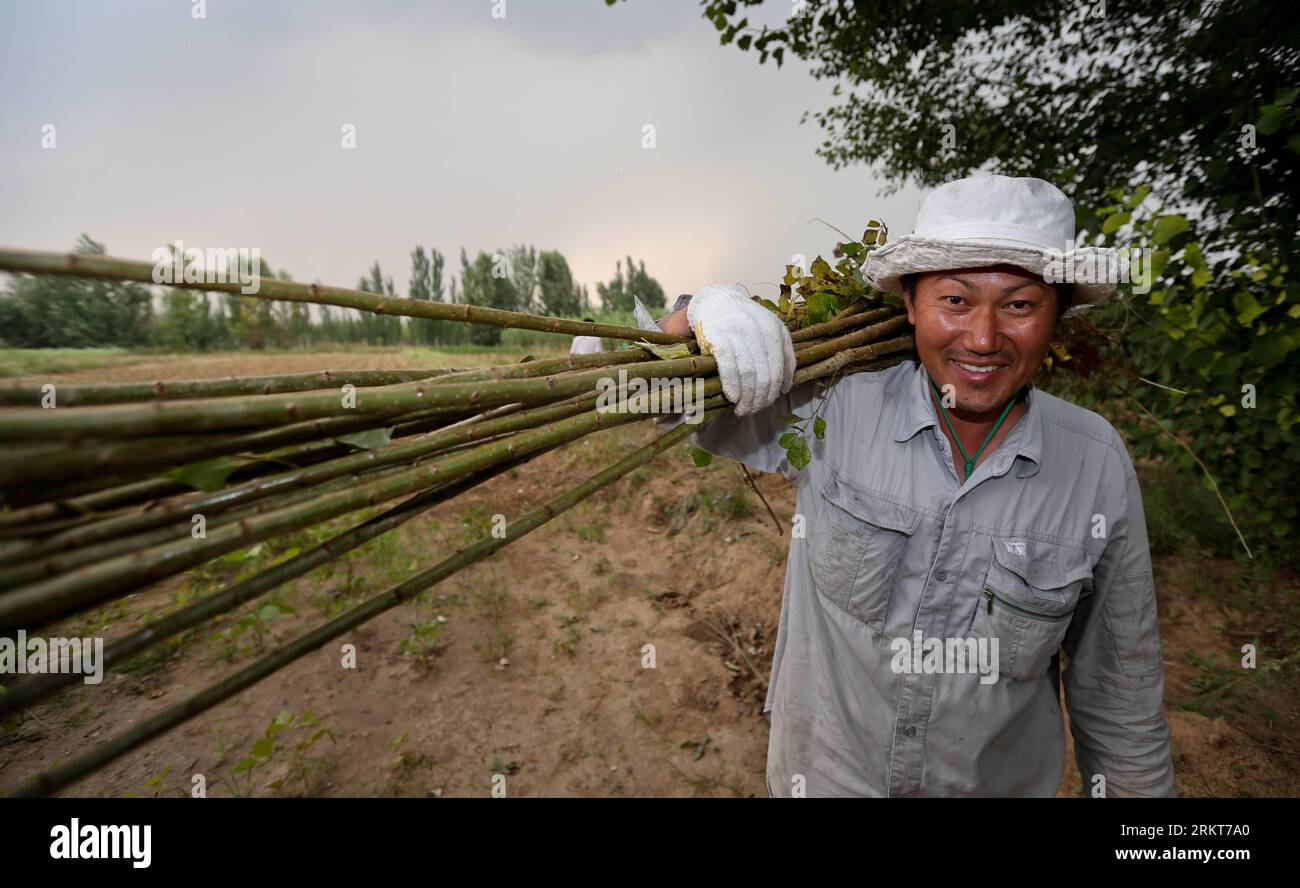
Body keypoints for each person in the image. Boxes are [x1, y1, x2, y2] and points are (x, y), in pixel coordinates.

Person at [655, 175, 1174, 797]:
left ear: (1058, 315)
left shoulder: (1094, 464)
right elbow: (653, 400)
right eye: (955, 300)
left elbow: (1120, 691)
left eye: (1019, 304)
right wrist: (703, 310)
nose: (982, 339)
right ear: (909, 302)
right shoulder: (834, 404)